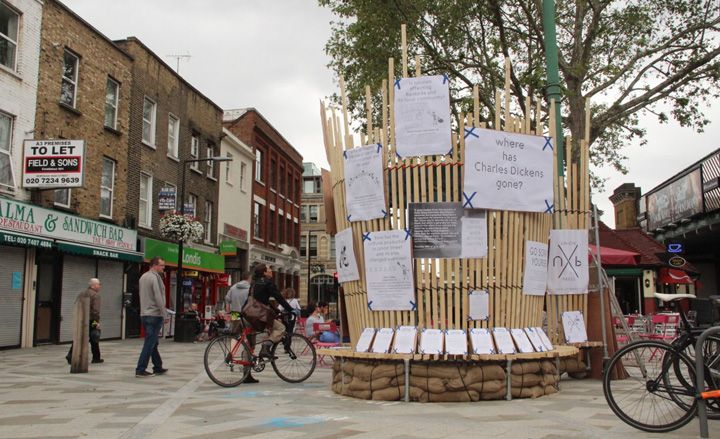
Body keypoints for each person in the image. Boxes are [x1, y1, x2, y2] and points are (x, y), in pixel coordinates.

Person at [135, 256, 169, 377]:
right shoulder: (156, 278)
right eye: (162, 265)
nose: (163, 268)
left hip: (144, 313)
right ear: (155, 265)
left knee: (153, 341)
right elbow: (158, 296)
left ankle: (158, 366)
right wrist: (164, 313)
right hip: (154, 314)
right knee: (150, 342)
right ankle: (140, 369)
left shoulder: (143, 277)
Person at [251, 263, 292, 358]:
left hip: (249, 314)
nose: (271, 270)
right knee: (280, 328)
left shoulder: (254, 283)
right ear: (264, 272)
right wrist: (290, 309)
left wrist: (276, 310)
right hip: (259, 315)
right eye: (269, 269)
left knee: (249, 344)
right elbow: (279, 298)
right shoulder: (267, 283)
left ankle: (247, 369)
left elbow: (262, 300)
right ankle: (265, 347)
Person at [224, 271, 259, 383]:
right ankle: (246, 367)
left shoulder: (233, 287)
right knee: (249, 342)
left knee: (235, 337)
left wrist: (228, 312)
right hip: (247, 315)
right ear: (249, 278)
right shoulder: (250, 288)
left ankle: (232, 354)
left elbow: (227, 300)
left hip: (235, 314)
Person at [66, 278, 103, 364]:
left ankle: (72, 354)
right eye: (98, 284)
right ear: (92, 285)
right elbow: (95, 311)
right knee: (94, 337)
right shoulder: (95, 295)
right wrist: (96, 322)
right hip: (91, 320)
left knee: (79, 337)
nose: (99, 286)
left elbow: (76, 305)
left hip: (81, 319)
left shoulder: (82, 293)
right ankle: (96, 357)